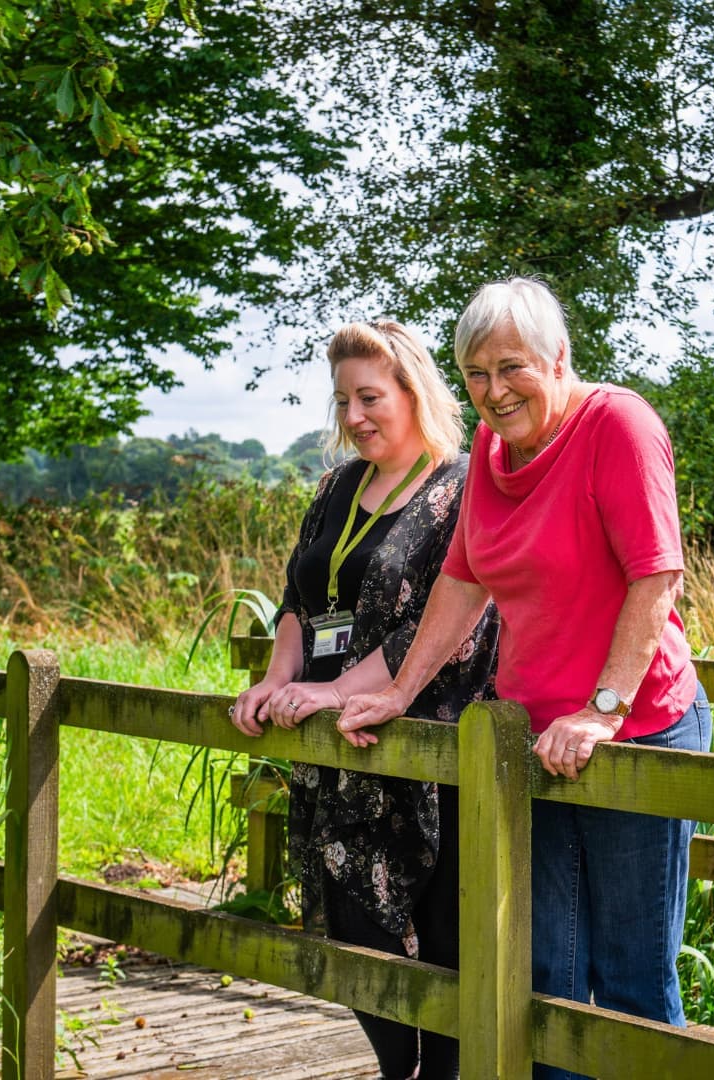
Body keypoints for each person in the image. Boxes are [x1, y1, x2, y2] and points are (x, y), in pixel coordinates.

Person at [338, 278, 712, 1080]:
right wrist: (401, 691)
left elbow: (657, 578)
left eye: (513, 368)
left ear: (559, 359)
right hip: (534, 739)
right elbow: (463, 581)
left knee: (631, 982)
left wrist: (602, 711)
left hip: (634, 727)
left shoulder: (617, 424)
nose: (494, 390)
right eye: (476, 373)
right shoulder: (490, 453)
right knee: (547, 978)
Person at [229, 320, 499, 1080]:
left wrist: (336, 690)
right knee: (352, 927)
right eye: (342, 399)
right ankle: (396, 1069)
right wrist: (279, 683)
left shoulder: (462, 485)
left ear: (414, 392)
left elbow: (440, 620)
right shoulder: (335, 487)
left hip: (427, 744)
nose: (353, 417)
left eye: (370, 397)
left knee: (445, 942)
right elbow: (298, 600)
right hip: (337, 742)